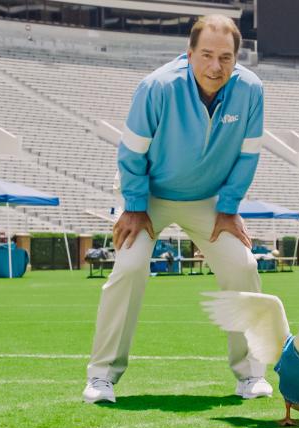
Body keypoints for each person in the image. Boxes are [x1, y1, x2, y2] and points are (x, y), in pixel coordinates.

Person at [82, 15, 271, 404]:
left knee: (244, 266)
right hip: (148, 196)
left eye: (225, 58)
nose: (215, 67)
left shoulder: (251, 90)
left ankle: (251, 373)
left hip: (209, 201)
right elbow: (131, 153)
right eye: (206, 55)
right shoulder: (156, 87)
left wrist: (229, 207)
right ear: (189, 54)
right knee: (130, 267)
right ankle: (102, 376)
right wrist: (134, 206)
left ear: (238, 58)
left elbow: (248, 156)